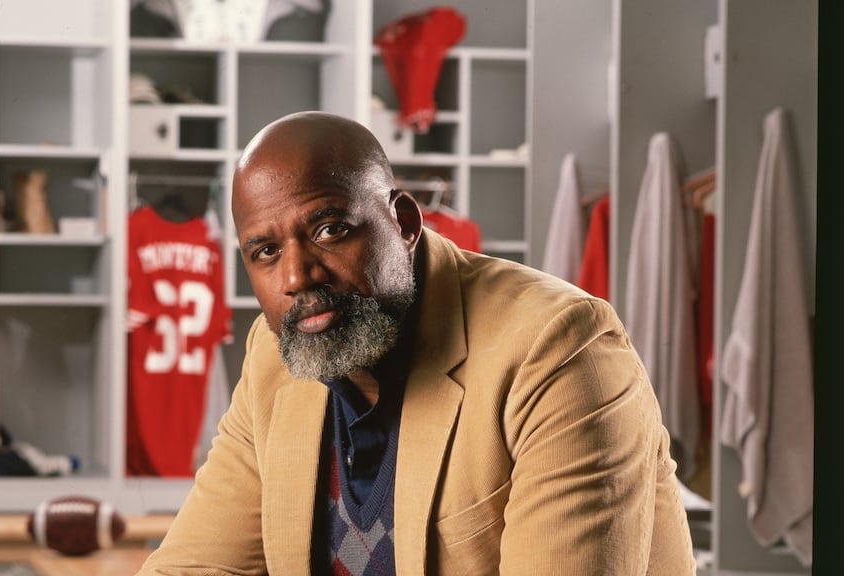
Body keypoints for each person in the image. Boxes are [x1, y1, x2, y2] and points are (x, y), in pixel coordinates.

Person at [135, 111, 696, 575]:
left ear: (403, 222)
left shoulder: (558, 349)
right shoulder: (275, 353)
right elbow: (196, 565)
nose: (296, 277)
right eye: (265, 252)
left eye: (330, 229)